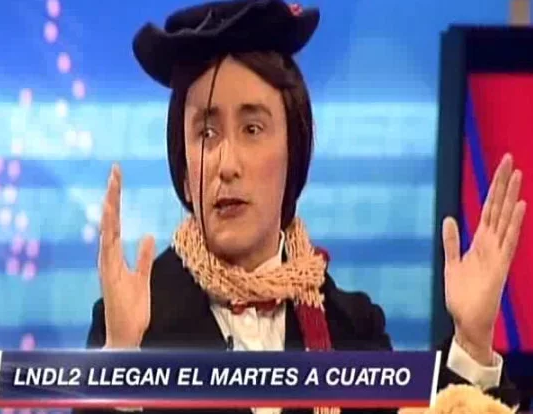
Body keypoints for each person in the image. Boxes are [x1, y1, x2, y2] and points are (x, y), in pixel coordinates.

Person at [83, 0, 527, 413]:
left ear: (294, 152)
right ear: (183, 167)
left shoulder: (354, 330)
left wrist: (472, 343)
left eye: (252, 129)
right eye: (206, 133)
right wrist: (122, 370)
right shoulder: (132, 328)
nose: (227, 164)